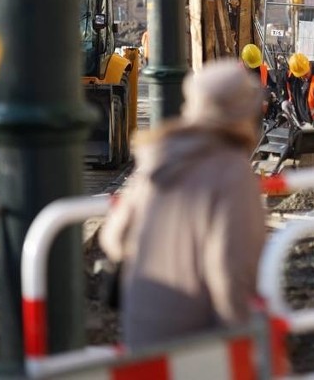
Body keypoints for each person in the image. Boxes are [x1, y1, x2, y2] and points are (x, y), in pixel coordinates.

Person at [99, 60, 266, 349]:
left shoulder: (157, 156)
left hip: (140, 331)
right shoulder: (232, 171)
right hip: (196, 339)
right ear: (242, 114)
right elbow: (230, 270)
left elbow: (114, 238)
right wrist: (244, 341)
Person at [241, 43, 278, 117]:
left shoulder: (262, 69)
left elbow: (271, 84)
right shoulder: (237, 72)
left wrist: (273, 91)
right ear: (244, 61)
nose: (254, 67)